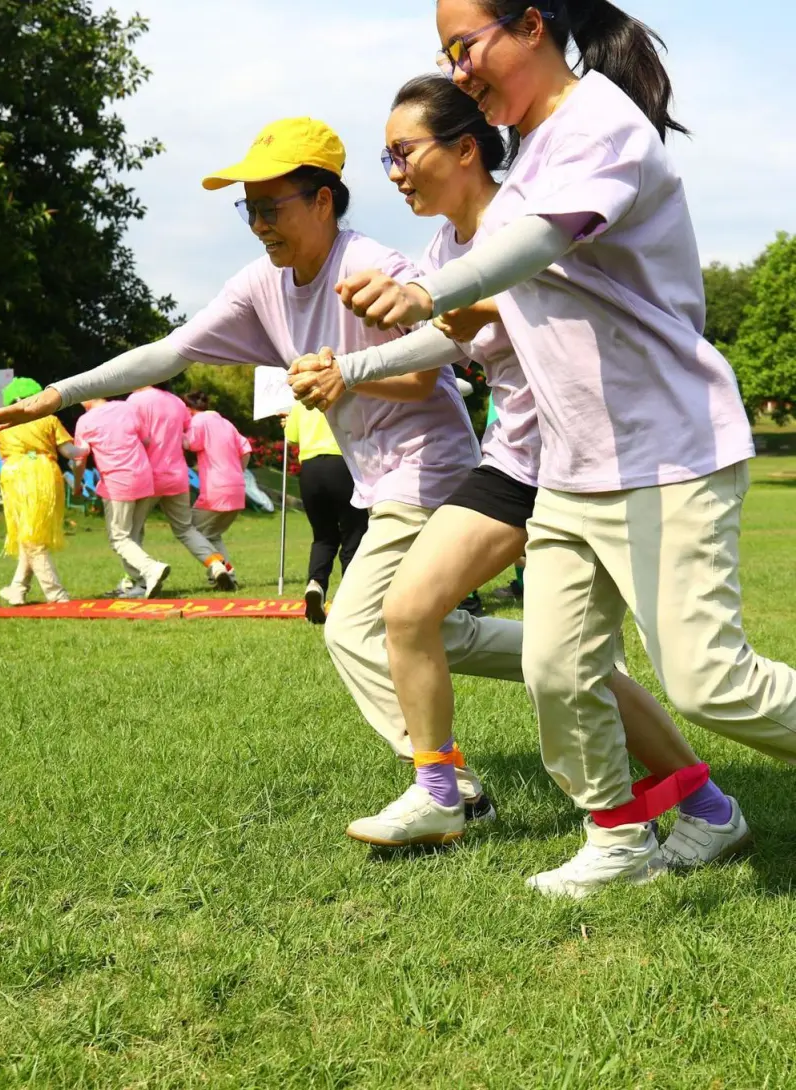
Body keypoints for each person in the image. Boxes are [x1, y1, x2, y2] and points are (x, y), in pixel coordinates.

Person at [0, 117, 726, 864]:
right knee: (464, 640)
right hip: (383, 478)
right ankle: (580, 682)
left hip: (432, 469)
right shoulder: (261, 285)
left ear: (324, 200)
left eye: (273, 207)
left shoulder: (378, 264)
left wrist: (347, 372)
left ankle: (450, 787)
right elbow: (169, 351)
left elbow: (431, 371)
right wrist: (56, 394)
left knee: (356, 626)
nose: (260, 224)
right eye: (250, 209)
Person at [329, 0, 796, 896]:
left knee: (709, 683)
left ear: (532, 26)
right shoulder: (534, 151)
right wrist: (372, 350)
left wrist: (424, 288)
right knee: (556, 667)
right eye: (446, 55)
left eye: (466, 48)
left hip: (668, 450)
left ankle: (681, 818)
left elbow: (532, 248)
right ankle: (619, 837)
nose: (459, 70)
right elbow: (484, 310)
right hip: (575, 467)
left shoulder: (601, 124)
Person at [0, 376, 80, 606]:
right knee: (31, 535)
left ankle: (56, 594)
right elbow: (70, 452)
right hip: (46, 475)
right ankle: (18, 589)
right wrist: (87, 447)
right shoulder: (49, 419)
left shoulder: (1, 422)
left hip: (15, 476)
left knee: (31, 538)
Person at [128, 385, 236, 590]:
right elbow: (187, 434)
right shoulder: (178, 403)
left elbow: (129, 433)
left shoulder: (135, 400)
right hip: (177, 476)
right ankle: (216, 564)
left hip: (149, 476)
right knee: (186, 529)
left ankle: (139, 580)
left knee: (132, 532)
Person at [73, 397, 171, 599]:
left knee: (118, 538)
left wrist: (77, 485)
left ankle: (150, 569)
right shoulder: (128, 408)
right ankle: (142, 585)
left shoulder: (85, 421)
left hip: (118, 482)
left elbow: (79, 459)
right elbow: (146, 440)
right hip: (143, 477)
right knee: (133, 535)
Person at [282, 399, 368, 624]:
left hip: (310, 471)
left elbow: (292, 436)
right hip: (342, 466)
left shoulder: (301, 400)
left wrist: (289, 422)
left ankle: (316, 584)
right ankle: (352, 603)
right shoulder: (347, 390)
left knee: (323, 537)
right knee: (354, 535)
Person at [181, 391, 252, 583]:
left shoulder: (198, 421)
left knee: (188, 529)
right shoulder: (226, 423)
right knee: (212, 535)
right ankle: (228, 574)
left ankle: (217, 567)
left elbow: (188, 443)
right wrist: (237, 471)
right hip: (237, 487)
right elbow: (246, 449)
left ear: (188, 409)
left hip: (215, 488)